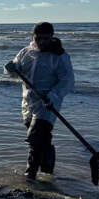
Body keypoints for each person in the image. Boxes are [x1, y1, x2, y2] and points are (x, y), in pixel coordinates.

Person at [5, 22, 75, 180]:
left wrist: (53, 96)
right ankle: (48, 171)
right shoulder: (26, 52)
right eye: (38, 38)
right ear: (33, 37)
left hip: (48, 105)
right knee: (42, 139)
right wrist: (11, 68)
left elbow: (68, 81)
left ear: (51, 37)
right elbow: (17, 70)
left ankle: (30, 175)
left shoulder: (59, 56)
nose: (42, 42)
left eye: (46, 38)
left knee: (35, 138)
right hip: (28, 103)